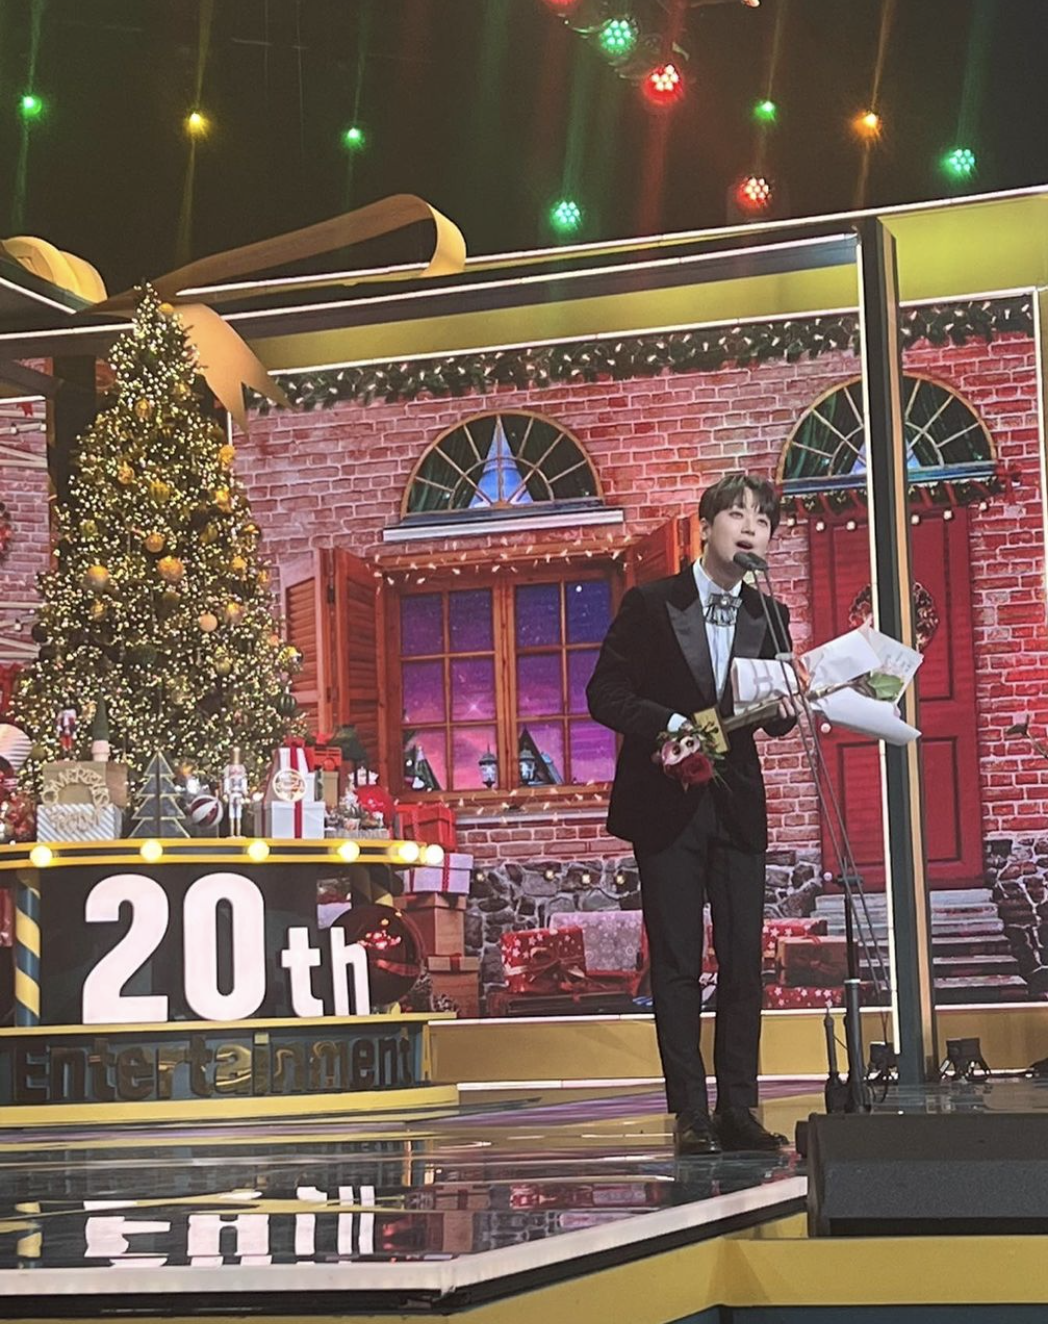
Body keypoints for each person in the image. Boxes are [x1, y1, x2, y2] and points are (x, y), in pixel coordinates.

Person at [587, 473, 797, 1156]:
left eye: (762, 521)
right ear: (706, 527)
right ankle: (690, 1114)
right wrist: (669, 723)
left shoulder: (770, 613)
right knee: (677, 962)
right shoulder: (652, 604)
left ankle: (739, 1108)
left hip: (736, 804)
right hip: (666, 802)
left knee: (743, 964)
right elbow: (604, 693)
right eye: (737, 515)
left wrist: (786, 709)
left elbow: (772, 722)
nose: (750, 528)